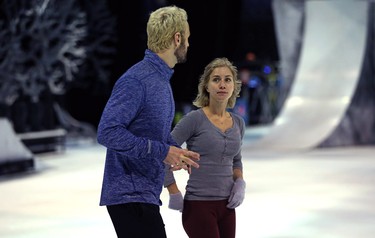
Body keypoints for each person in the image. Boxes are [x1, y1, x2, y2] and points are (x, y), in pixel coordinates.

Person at [97, 5, 200, 238]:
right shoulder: (137, 80)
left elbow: (153, 138)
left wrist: (175, 153)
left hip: (144, 195)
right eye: (188, 38)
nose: (188, 44)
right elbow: (108, 131)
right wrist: (163, 151)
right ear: (177, 38)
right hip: (129, 195)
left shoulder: (160, 81)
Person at [164, 57, 246, 238]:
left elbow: (236, 159)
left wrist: (239, 182)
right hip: (198, 206)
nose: (222, 84)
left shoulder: (238, 123)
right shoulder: (194, 119)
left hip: (227, 207)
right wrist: (173, 191)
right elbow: (163, 152)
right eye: (216, 79)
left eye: (227, 79)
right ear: (207, 86)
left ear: (234, 86)